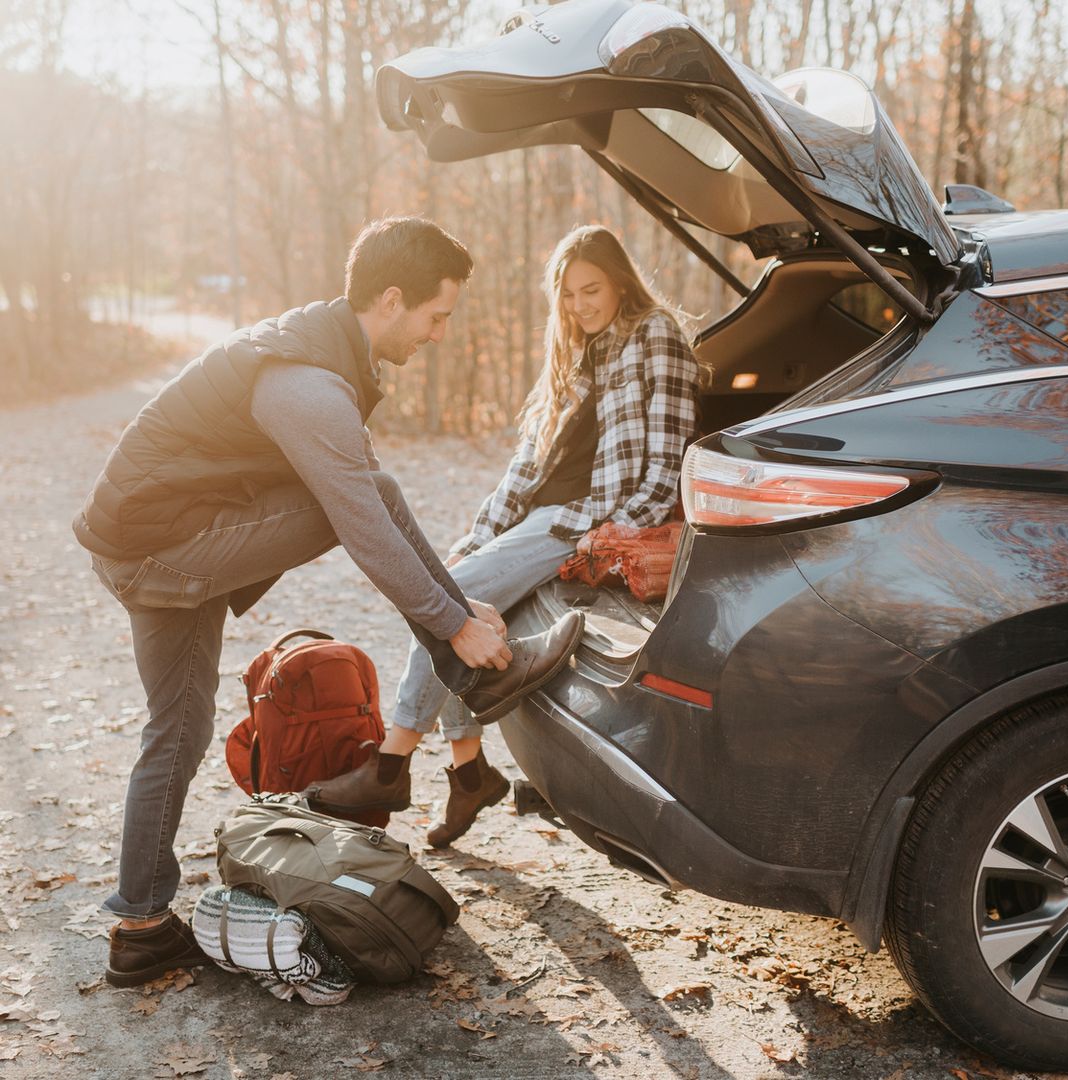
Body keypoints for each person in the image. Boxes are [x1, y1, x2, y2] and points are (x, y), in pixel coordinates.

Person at [73, 216, 584, 988]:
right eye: (436, 315)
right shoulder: (306, 382)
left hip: (151, 536)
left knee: (178, 726)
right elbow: (367, 526)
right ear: (389, 299)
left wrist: (457, 607)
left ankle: (141, 928)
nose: (441, 334)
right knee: (361, 499)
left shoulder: (315, 353)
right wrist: (454, 622)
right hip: (161, 545)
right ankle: (472, 666)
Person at [304, 224, 698, 848]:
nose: (579, 306)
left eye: (590, 289)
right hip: (537, 519)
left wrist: (615, 536)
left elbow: (666, 456)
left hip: (582, 521)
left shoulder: (655, 336)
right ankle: (468, 772)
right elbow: (524, 469)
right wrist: (476, 536)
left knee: (447, 601)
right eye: (566, 295)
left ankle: (392, 762)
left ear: (620, 280)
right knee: (461, 599)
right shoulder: (570, 353)